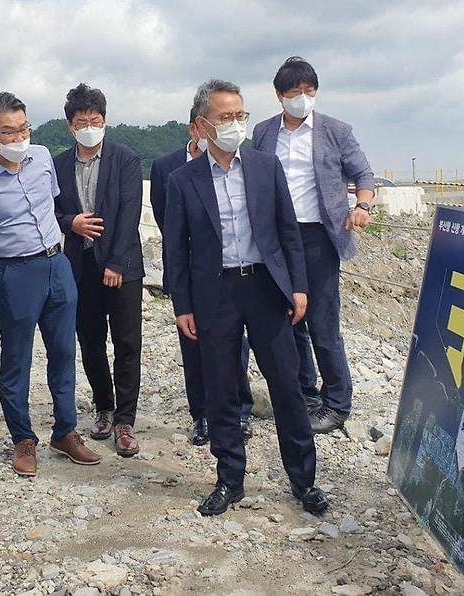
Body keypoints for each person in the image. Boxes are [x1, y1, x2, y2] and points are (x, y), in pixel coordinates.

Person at [164, 79, 327, 516]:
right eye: (225, 117)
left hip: (265, 288)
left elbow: (287, 230)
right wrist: (181, 305)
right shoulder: (183, 181)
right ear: (202, 125)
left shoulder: (264, 166)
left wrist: (298, 287)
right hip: (215, 293)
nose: (236, 124)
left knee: (287, 386)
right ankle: (230, 479)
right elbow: (175, 249)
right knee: (220, 389)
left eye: (241, 116)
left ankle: (303, 481)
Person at [0, 92, 100, 477]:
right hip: (15, 273)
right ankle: (23, 438)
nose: (19, 137)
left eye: (23, 127)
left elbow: (51, 204)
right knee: (17, 358)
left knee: (63, 352)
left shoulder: (40, 157)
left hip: (58, 263)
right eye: (9, 131)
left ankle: (66, 431)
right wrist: (2, 248)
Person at [253, 56, 376, 434]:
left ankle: (337, 402)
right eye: (295, 93)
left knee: (323, 321)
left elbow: (363, 173)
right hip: (277, 238)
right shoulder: (263, 132)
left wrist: (363, 205)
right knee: (290, 317)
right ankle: (305, 392)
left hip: (320, 236)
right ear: (279, 96)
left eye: (309, 92)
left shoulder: (336, 130)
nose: (303, 99)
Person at [150, 105, 255, 446]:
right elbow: (169, 227)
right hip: (194, 273)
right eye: (219, 121)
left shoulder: (242, 164)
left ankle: (240, 410)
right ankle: (202, 415)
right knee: (193, 344)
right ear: (195, 128)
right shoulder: (168, 168)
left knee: (235, 345)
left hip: (231, 272)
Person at [53, 84, 144, 457]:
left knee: (126, 342)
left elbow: (129, 211)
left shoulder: (125, 159)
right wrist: (70, 221)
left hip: (121, 266)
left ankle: (125, 419)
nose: (89, 126)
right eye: (81, 121)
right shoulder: (58, 164)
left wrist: (116, 263)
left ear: (104, 120)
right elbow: (49, 211)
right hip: (79, 265)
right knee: (90, 341)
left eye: (96, 120)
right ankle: (104, 408)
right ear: (70, 125)